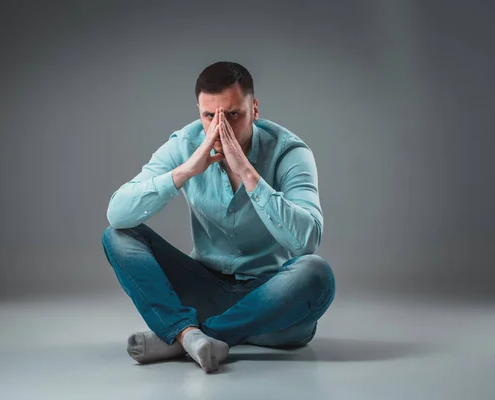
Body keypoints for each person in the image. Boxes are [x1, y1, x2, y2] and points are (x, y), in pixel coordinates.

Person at [102, 61, 335, 373]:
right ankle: (192, 334)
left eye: (233, 115)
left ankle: (184, 336)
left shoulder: (290, 152)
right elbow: (117, 212)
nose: (219, 128)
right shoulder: (185, 144)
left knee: (316, 272)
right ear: (198, 111)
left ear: (254, 109)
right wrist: (185, 172)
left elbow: (307, 241)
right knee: (117, 235)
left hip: (271, 304)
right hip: (206, 289)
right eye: (209, 116)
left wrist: (248, 174)